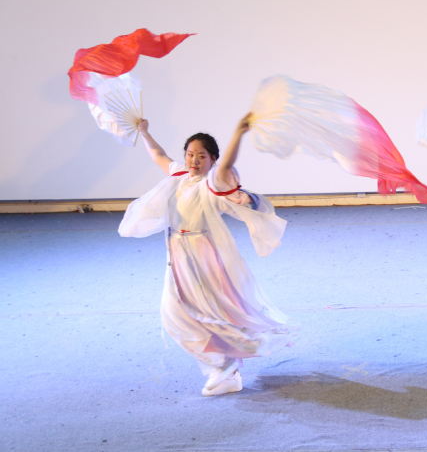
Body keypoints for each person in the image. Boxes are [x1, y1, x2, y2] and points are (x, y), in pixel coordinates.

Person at [119, 115, 297, 396]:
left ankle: (225, 369)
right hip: (176, 256)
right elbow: (158, 155)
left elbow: (226, 166)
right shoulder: (180, 177)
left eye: (201, 156)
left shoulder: (213, 184)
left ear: (212, 159)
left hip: (202, 257)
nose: (194, 160)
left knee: (208, 315)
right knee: (174, 316)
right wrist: (144, 132)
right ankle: (224, 367)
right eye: (190, 154)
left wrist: (238, 133)